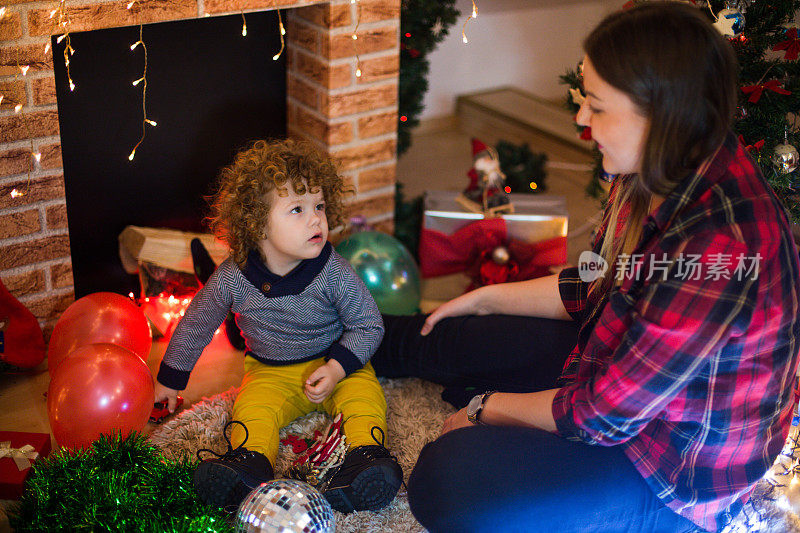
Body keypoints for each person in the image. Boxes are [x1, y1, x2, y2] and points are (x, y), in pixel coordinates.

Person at [371, 3, 800, 532]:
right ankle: (334, 335)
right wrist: (482, 299)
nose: (579, 119)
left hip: (669, 473)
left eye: (595, 106)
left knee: (449, 481)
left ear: (659, 113)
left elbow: (599, 416)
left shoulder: (721, 248)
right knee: (462, 333)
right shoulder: (656, 165)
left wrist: (485, 409)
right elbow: (596, 284)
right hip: (624, 382)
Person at [153, 138, 402, 514]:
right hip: (270, 372)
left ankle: (365, 460)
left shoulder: (334, 271)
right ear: (257, 225)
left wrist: (336, 369)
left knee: (365, 397)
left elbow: (368, 324)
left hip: (333, 364)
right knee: (253, 409)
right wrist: (170, 379)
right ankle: (248, 466)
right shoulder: (231, 279)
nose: (316, 219)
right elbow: (197, 325)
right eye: (297, 209)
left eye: (319, 206)